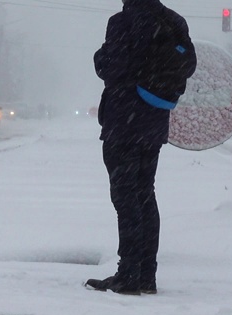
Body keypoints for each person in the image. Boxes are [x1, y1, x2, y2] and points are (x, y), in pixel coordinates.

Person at [86, 0, 196, 295]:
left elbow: (113, 68)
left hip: (124, 121)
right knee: (145, 193)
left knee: (126, 198)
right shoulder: (174, 21)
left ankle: (129, 274)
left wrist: (100, 56)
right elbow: (188, 66)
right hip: (154, 122)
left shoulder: (123, 22)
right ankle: (146, 274)